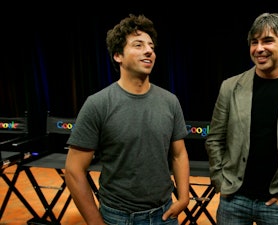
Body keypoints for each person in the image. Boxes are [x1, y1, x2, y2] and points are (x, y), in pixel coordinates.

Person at [64, 14, 190, 225]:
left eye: (151, 46)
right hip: (118, 218)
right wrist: (96, 222)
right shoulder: (98, 104)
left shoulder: (170, 101)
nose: (149, 50)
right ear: (118, 56)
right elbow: (73, 170)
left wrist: (184, 198)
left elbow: (179, 154)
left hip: (165, 215)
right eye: (138, 45)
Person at [205, 12, 278, 225]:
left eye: (267, 41)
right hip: (234, 200)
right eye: (254, 42)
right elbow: (215, 139)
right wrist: (220, 181)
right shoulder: (230, 88)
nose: (259, 48)